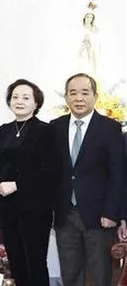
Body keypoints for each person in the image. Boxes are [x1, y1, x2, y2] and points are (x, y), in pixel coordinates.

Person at [51, 73, 125, 286]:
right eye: (73, 93)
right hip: (65, 214)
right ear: (66, 97)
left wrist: (112, 212)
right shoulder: (55, 127)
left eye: (85, 93)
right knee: (71, 275)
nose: (79, 98)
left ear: (95, 96)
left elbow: (117, 173)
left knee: (100, 275)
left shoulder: (109, 128)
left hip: (99, 216)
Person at [0, 79, 59, 286]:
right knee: (16, 262)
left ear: (36, 103)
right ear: (9, 101)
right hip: (8, 208)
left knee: (35, 262)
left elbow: (50, 171)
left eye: (26, 98)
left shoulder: (46, 131)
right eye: (15, 97)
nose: (20, 101)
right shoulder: (5, 130)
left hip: (36, 208)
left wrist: (18, 184)